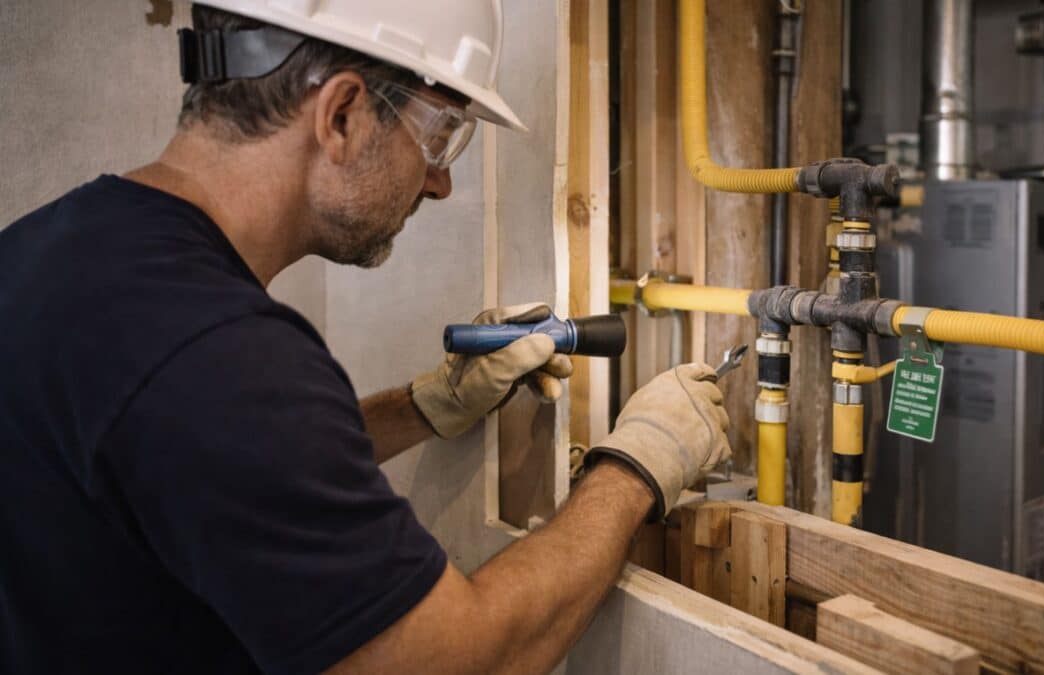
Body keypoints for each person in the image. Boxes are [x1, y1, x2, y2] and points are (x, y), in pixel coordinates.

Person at [0, 2, 731, 674]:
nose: (440, 184)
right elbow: (465, 660)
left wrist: (423, 407)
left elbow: (209, 462)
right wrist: (635, 465)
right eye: (439, 135)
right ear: (343, 114)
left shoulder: (48, 251)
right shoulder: (220, 354)